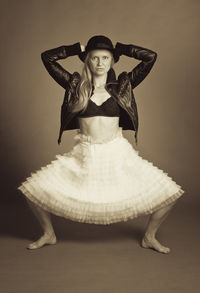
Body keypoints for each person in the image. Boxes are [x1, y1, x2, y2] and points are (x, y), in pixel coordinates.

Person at [17, 35, 185, 253]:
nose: (100, 63)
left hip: (117, 153)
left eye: (105, 58)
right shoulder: (75, 85)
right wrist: (76, 48)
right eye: (94, 58)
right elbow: (47, 58)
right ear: (87, 60)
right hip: (84, 153)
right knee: (33, 190)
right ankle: (48, 234)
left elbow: (150, 58)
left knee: (169, 192)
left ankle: (149, 237)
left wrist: (122, 49)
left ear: (112, 61)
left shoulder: (124, 85)